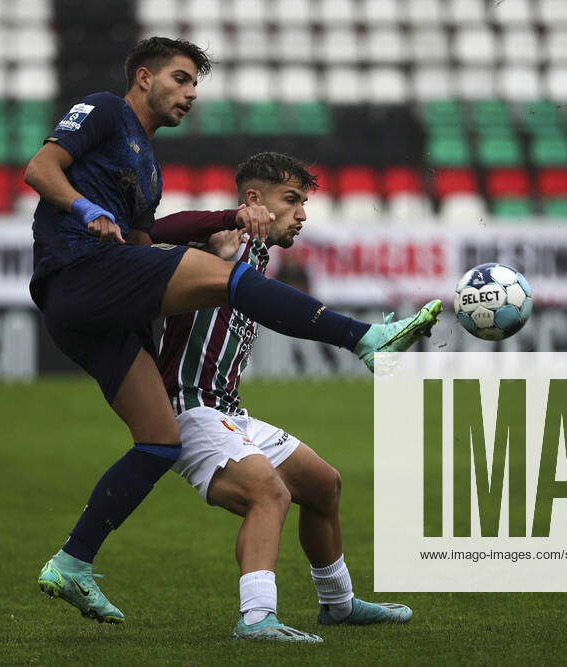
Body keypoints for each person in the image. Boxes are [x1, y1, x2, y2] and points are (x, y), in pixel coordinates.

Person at [24, 36, 443, 624]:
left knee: (159, 440)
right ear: (144, 78)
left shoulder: (147, 165)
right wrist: (86, 209)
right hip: (78, 270)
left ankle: (71, 564)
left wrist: (151, 229)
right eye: (180, 78)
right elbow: (41, 168)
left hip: (104, 311)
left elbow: (146, 241)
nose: (191, 93)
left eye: (196, 83)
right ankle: (363, 338)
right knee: (229, 279)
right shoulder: (106, 109)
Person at [160, 152, 413, 643]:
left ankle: (338, 606)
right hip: (189, 411)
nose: (303, 214)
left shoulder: (256, 257)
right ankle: (256, 619)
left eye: (304, 202)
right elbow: (149, 230)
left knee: (322, 485)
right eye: (292, 200)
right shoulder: (216, 245)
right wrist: (220, 225)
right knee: (269, 493)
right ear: (254, 201)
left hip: (228, 411)